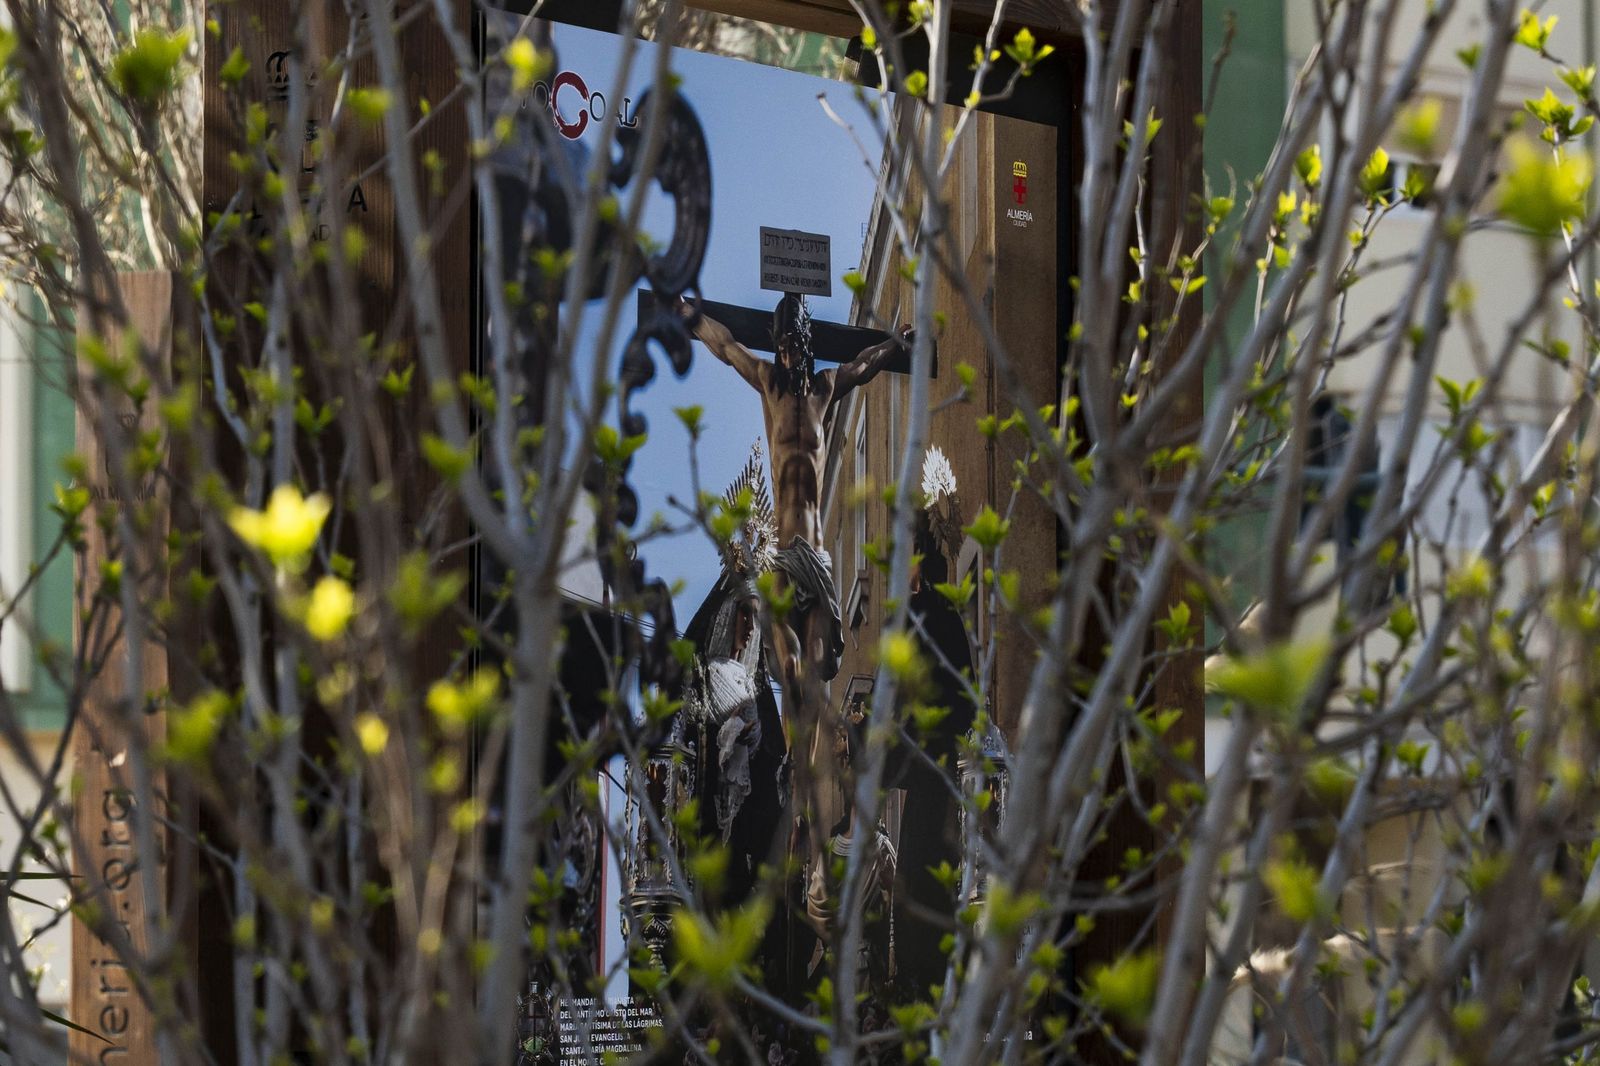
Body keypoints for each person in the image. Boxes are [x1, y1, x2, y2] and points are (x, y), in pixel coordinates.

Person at [681, 293, 912, 937]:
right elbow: (727, 347)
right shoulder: (769, 387)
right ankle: (797, 788)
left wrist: (896, 344)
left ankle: (810, 816)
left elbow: (864, 363)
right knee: (788, 680)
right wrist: (693, 318)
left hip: (817, 558)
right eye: (781, 340)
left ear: (806, 342)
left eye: (794, 340)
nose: (786, 349)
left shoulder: (825, 389)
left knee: (813, 687)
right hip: (782, 557)